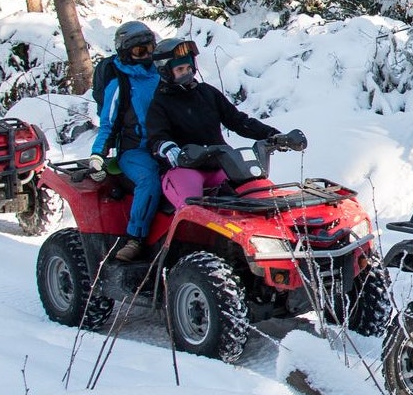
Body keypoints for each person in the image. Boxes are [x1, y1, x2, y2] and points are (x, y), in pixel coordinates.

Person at [146, 38, 282, 209]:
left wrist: (272, 134)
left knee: (259, 196)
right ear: (165, 71)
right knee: (194, 209)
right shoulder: (160, 103)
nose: (187, 73)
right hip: (185, 169)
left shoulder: (207, 93)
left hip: (220, 164)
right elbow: (157, 136)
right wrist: (168, 148)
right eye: (180, 69)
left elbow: (238, 121)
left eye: (189, 67)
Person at [89, 21, 161, 262]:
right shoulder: (119, 83)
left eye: (151, 48)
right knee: (149, 178)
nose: (148, 56)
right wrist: (98, 154)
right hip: (134, 150)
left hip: (165, 144)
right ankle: (135, 238)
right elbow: (108, 123)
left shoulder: (162, 75)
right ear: (126, 53)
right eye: (140, 51)